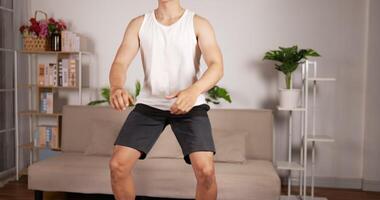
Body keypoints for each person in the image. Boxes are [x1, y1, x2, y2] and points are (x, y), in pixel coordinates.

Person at [108, 0, 223, 199]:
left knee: (206, 171)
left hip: (190, 104)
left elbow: (216, 65)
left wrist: (193, 91)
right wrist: (117, 87)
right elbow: (120, 62)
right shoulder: (139, 24)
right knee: (118, 166)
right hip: (149, 105)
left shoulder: (198, 23)